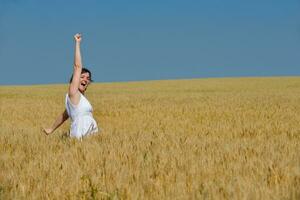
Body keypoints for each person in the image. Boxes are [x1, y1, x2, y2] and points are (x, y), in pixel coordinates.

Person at [43, 33, 99, 139]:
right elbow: (77, 67)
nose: (85, 80)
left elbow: (64, 115)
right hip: (81, 133)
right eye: (82, 77)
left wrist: (51, 129)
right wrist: (77, 43)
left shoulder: (77, 99)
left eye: (88, 78)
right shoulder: (73, 93)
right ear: (75, 79)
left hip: (89, 136)